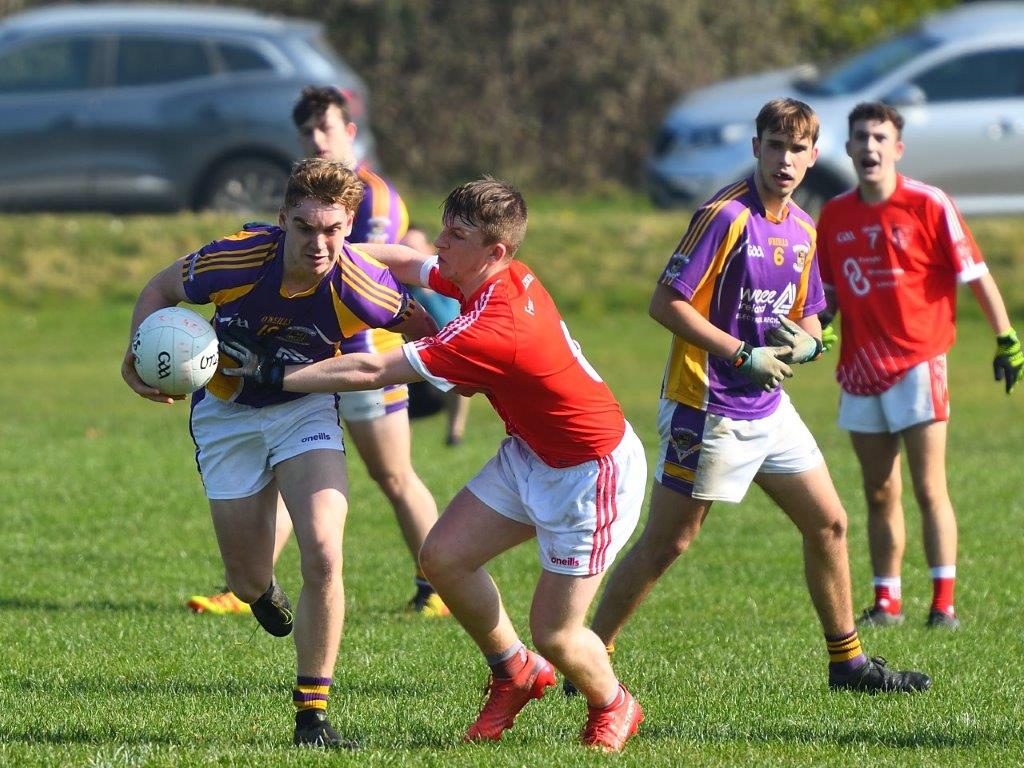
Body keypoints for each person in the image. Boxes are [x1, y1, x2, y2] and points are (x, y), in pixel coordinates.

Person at [219, 178, 648, 752]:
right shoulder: (484, 274)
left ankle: (613, 703)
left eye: (455, 235)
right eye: (445, 227)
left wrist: (271, 375)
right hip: (531, 452)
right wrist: (325, 255)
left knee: (557, 632)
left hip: (591, 473)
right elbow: (406, 261)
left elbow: (371, 372)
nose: (438, 242)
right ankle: (513, 671)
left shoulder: (495, 328)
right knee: (443, 558)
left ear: (494, 251)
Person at [579, 98, 931, 694]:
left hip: (769, 407)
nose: (785, 160)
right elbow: (665, 302)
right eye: (775, 146)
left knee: (829, 523)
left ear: (814, 157)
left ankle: (847, 665)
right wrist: (741, 353)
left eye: (797, 150)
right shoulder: (725, 216)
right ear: (756, 148)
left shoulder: (803, 229)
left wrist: (810, 347)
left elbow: (813, 317)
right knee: (671, 541)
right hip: (708, 404)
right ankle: (590, 652)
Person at [122, 158, 437, 747]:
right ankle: (260, 592)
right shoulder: (238, 258)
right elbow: (161, 287)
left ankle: (311, 716)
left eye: (333, 230)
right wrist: (136, 351)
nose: (319, 244)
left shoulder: (363, 288)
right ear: (283, 220)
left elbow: (427, 339)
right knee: (244, 580)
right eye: (305, 228)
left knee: (322, 551)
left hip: (305, 412)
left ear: (348, 228)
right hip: (226, 416)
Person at [187, 85, 449, 618]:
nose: (316, 139)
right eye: (307, 131)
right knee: (292, 471)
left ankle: (437, 584)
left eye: (325, 128)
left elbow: (363, 272)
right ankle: (252, 584)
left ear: (349, 132)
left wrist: (426, 280)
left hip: (363, 354)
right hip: (303, 358)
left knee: (393, 476)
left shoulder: (372, 195)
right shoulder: (307, 191)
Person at [816, 102, 1024, 630]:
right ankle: (887, 602)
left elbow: (975, 274)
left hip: (918, 362)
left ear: (897, 148)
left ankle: (943, 603)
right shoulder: (835, 215)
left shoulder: (929, 203)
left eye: (880, 137)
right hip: (860, 369)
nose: (870, 147)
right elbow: (829, 294)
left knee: (930, 486)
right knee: (879, 490)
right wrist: (821, 327)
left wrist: (1006, 340)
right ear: (848, 147)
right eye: (861, 137)